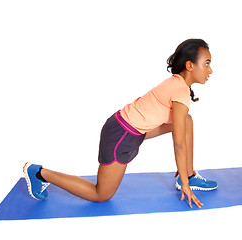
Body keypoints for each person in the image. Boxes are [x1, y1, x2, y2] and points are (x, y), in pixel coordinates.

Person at [23, 38, 217, 208]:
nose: (211, 70)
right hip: (121, 135)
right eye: (207, 64)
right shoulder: (180, 91)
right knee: (101, 195)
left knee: (186, 121)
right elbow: (179, 144)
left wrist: (185, 175)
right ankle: (40, 173)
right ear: (190, 65)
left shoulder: (177, 84)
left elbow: (180, 131)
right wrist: (182, 182)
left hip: (127, 130)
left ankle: (191, 176)